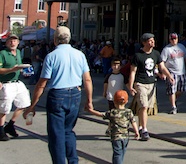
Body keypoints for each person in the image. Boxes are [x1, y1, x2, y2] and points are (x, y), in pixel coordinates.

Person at [24, 26, 94, 163]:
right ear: (69, 39)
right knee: (68, 131)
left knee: (56, 134)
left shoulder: (51, 56)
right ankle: (73, 160)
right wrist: (89, 100)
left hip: (57, 94)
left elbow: (42, 83)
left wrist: (32, 105)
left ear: (55, 40)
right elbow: (87, 79)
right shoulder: (80, 55)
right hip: (75, 93)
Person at [128, 32, 171, 141]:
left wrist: (169, 76)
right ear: (144, 42)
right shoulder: (138, 56)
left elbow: (162, 67)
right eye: (150, 40)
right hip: (140, 83)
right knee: (144, 106)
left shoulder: (156, 54)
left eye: (153, 40)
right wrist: (131, 86)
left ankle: (141, 126)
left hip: (151, 84)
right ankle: (144, 130)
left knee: (146, 107)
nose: (153, 42)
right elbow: (133, 71)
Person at [86, 90, 139, 164]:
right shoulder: (129, 112)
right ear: (126, 101)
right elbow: (133, 122)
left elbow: (101, 115)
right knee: (122, 151)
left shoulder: (112, 112)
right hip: (126, 137)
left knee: (117, 153)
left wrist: (91, 111)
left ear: (114, 101)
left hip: (116, 137)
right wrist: (136, 132)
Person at [0, 34, 31, 141]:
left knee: (25, 103)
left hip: (17, 82)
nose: (12, 43)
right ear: (6, 42)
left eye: (14, 41)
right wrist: (12, 70)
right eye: (10, 41)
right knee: (5, 108)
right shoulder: (3, 54)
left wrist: (23, 70)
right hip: (6, 83)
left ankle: (10, 124)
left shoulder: (18, 52)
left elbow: (18, 66)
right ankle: (0, 130)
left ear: (18, 43)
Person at [160, 33, 186, 115]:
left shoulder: (182, 47)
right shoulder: (166, 49)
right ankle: (173, 106)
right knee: (172, 90)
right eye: (172, 39)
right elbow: (162, 62)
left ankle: (173, 99)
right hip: (171, 72)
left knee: (181, 89)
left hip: (182, 72)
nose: (174, 40)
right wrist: (163, 73)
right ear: (169, 39)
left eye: (175, 39)